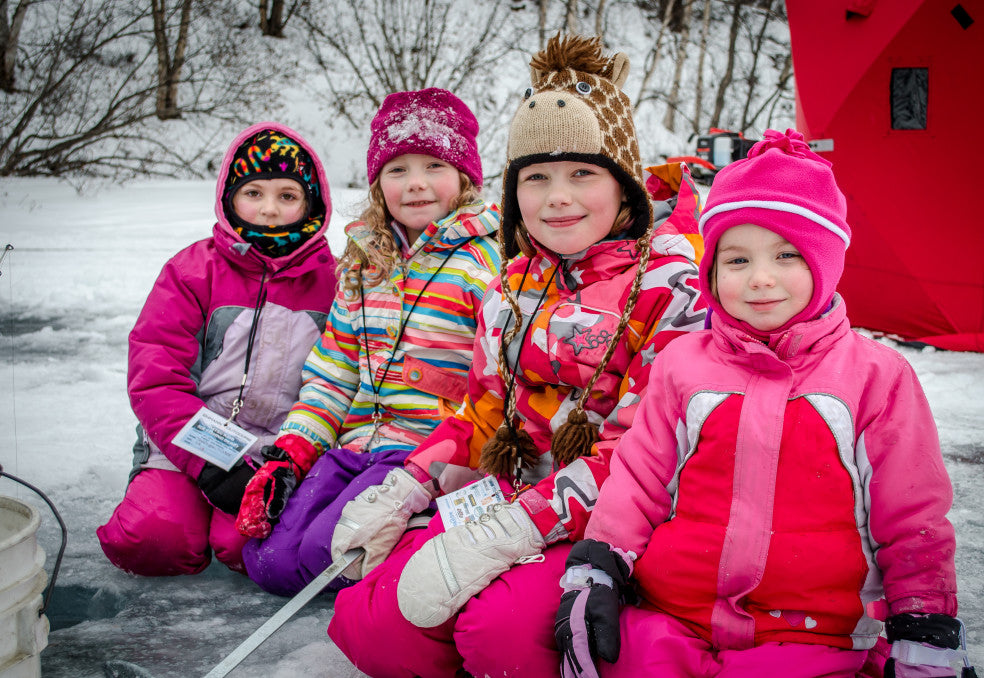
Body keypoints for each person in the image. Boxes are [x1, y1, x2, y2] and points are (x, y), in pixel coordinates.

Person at [327, 34, 706, 677]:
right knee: (375, 625)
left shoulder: (672, 288)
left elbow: (643, 452)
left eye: (582, 174)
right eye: (536, 178)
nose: (558, 197)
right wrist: (411, 483)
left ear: (624, 185)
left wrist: (521, 527)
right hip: (510, 497)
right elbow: (483, 413)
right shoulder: (513, 284)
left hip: (614, 524)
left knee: (497, 634)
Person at [554, 129, 975, 678]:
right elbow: (640, 479)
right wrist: (600, 567)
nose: (761, 279)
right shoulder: (684, 366)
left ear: (826, 264)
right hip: (672, 613)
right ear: (712, 271)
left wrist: (926, 626)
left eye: (787, 254)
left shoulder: (876, 378)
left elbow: (911, 517)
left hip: (812, 634)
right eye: (736, 260)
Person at [234, 88, 503, 597]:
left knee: (324, 556)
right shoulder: (364, 265)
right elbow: (334, 372)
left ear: (465, 178)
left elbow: (498, 385)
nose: (415, 183)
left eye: (433, 166)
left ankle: (425, 537)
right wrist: (292, 451)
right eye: (397, 169)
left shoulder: (486, 265)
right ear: (378, 183)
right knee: (265, 559)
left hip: (425, 454)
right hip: (356, 443)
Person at [96, 122, 336, 576]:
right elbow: (157, 377)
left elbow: (339, 380)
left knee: (244, 547)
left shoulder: (334, 282)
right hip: (188, 440)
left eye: (287, 196)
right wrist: (212, 464)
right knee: (153, 540)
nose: (269, 209)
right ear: (230, 197)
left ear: (311, 204)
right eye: (254, 193)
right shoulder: (191, 271)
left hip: (275, 450)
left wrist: (287, 457)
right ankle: (174, 498)